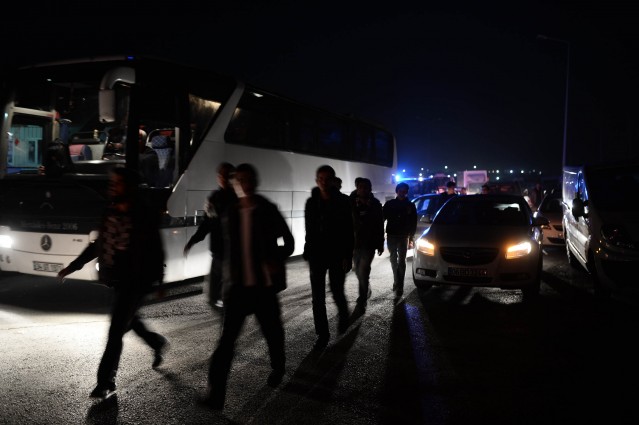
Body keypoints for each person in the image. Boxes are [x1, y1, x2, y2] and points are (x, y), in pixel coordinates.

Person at [57, 167, 168, 399]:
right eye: (112, 182)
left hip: (137, 279)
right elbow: (98, 245)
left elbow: (155, 249)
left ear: (129, 186)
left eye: (117, 183)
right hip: (117, 278)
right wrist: (73, 266)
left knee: (116, 329)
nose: (112, 186)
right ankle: (156, 343)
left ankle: (105, 381)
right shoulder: (110, 210)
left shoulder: (143, 213)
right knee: (129, 320)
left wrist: (159, 281)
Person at [201, 163, 294, 410]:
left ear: (255, 181)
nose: (245, 184)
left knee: (272, 333)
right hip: (238, 288)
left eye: (248, 179)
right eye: (239, 179)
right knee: (226, 343)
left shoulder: (267, 209)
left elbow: (289, 241)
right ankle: (215, 394)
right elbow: (224, 248)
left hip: (263, 287)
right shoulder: (230, 212)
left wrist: (275, 259)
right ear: (234, 184)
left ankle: (278, 366)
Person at [303, 164, 354, 350]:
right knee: (317, 297)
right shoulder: (311, 202)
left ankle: (343, 315)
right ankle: (322, 334)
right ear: (317, 181)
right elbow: (309, 229)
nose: (323, 182)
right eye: (321, 179)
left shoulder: (343, 202)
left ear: (333, 181)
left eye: (327, 179)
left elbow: (348, 230)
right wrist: (308, 249)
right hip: (317, 255)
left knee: (336, 290)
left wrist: (347, 255)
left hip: (336, 254)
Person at [184, 162, 236, 309]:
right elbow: (207, 224)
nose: (223, 178)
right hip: (218, 253)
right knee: (214, 297)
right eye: (221, 175)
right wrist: (192, 241)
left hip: (234, 256)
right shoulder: (214, 198)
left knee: (227, 297)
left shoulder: (238, 199)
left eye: (227, 175)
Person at [350, 177, 384, 309]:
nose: (363, 190)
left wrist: (380, 243)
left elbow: (380, 225)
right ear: (357, 189)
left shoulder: (375, 204)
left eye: (366, 187)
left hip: (369, 243)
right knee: (358, 271)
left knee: (363, 271)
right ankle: (366, 287)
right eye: (360, 187)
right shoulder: (351, 203)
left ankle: (362, 298)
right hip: (354, 243)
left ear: (370, 189)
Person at [383, 182, 417, 298]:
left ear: (406, 192)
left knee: (401, 260)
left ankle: (399, 284)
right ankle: (397, 281)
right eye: (400, 191)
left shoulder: (410, 205)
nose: (402, 193)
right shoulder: (390, 204)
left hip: (403, 236)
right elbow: (383, 217)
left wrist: (411, 237)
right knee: (394, 260)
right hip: (392, 235)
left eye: (404, 191)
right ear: (397, 191)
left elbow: (413, 222)